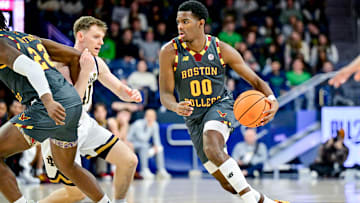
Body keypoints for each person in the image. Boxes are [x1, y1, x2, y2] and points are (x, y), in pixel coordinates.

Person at [159, 1, 287, 203]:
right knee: (228, 183)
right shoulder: (169, 52)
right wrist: (175, 106)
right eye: (178, 22)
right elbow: (165, 94)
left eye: (185, 21)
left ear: (201, 23)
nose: (180, 27)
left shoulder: (221, 49)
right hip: (194, 118)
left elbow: (255, 81)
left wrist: (272, 99)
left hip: (220, 105)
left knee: (212, 145)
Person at [0, 11, 110, 203]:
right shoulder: (27, 38)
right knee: (68, 166)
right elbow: (78, 56)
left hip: (47, 107)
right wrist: (73, 97)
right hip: (72, 105)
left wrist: (49, 101)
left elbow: (32, 69)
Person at [39, 16, 142, 203]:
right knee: (77, 193)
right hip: (62, 129)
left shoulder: (96, 62)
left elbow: (118, 88)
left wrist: (130, 94)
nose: (102, 42)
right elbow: (71, 106)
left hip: (84, 123)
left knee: (129, 161)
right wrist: (85, 73)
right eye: (96, 37)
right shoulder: (61, 64)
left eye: (102, 37)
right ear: (80, 35)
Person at [128, 109, 171, 179]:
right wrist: (149, 127)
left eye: (152, 116)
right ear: (145, 116)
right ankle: (144, 170)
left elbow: (156, 138)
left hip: (145, 145)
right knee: (144, 146)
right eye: (149, 116)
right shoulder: (138, 124)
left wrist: (156, 146)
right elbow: (142, 138)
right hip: (132, 144)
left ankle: (161, 170)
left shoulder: (155, 124)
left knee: (159, 148)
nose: (150, 118)